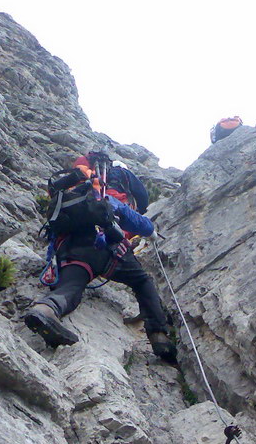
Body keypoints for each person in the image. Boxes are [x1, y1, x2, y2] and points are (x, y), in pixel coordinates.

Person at [24, 151, 177, 362]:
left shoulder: (69, 199)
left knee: (72, 287)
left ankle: (46, 309)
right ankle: (159, 335)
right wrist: (150, 230)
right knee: (142, 281)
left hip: (69, 250)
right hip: (106, 250)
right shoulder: (102, 196)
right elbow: (132, 218)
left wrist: (54, 265)